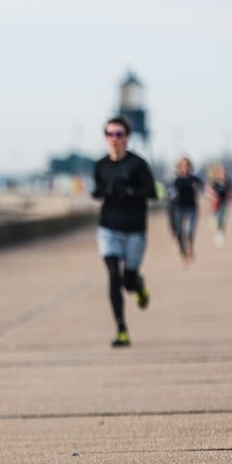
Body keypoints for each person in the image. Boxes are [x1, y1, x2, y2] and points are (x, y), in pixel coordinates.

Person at [92, 116, 156, 347]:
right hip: (108, 228)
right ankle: (121, 328)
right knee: (113, 275)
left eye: (119, 134)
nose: (114, 139)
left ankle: (138, 285)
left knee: (127, 281)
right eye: (110, 134)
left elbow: (152, 192)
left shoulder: (138, 164)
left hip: (134, 230)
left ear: (127, 137)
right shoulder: (100, 165)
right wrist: (106, 190)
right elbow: (96, 191)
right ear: (105, 138)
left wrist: (130, 191)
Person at [168, 157, 203, 265]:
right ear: (179, 167)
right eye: (183, 165)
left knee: (190, 231)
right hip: (179, 207)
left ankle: (190, 247)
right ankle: (183, 254)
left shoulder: (194, 179)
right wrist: (173, 195)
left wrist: (199, 189)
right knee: (179, 231)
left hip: (192, 207)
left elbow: (202, 186)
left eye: (187, 165)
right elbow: (170, 192)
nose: (185, 167)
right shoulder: (176, 180)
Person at [206, 164, 231, 248]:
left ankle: (220, 236)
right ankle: (214, 224)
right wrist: (213, 196)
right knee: (217, 218)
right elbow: (209, 190)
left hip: (224, 203)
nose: (223, 173)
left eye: (223, 171)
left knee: (222, 219)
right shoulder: (214, 181)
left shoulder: (227, 181)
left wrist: (230, 196)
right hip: (216, 203)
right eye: (221, 171)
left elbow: (229, 192)